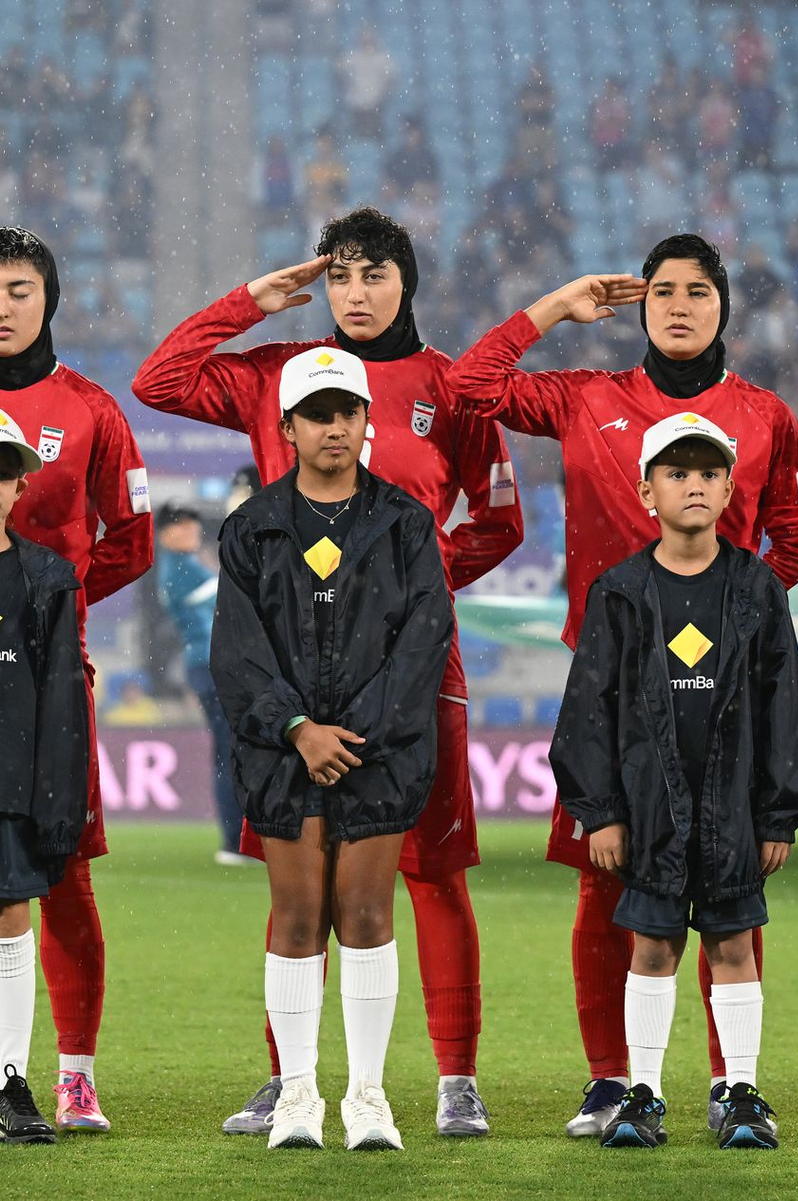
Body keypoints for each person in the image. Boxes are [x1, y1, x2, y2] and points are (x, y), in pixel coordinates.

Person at [133, 206, 521, 1136]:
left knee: (432, 872)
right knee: (298, 885)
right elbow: (160, 379)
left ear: (406, 282)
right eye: (340, 275)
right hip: (291, 677)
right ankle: (290, 1079)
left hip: (416, 667)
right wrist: (252, 302)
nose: (355, 291)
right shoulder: (277, 374)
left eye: (374, 273)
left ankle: (454, 1079)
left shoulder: (451, 385)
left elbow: (500, 520)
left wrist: (401, 591)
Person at [446, 232, 798, 1136]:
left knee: (729, 889)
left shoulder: (768, 415)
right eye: (663, 291)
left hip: (724, 699)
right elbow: (470, 388)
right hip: (611, 697)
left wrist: (730, 624)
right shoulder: (589, 397)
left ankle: (734, 1084)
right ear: (640, 306)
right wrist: (552, 308)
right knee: (603, 885)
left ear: (724, 305)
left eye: (699, 290)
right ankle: (615, 1081)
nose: (681, 305)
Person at [551, 414, 798, 1150]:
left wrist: (780, 814)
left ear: (731, 487)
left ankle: (740, 1092)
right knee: (653, 949)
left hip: (734, 809)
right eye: (677, 472)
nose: (694, 484)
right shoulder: (620, 591)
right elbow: (588, 711)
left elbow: (783, 704)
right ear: (646, 490)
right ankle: (644, 1095)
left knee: (733, 946)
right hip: (647, 812)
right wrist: (599, 810)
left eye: (709, 473)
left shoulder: (757, 586)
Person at [211, 346, 453, 1151]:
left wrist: (355, 733)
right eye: (318, 414)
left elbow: (423, 640)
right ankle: (299, 1096)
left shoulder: (406, 521)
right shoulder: (251, 526)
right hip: (283, 752)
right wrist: (297, 728)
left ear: (366, 420)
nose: (335, 428)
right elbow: (238, 650)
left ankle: (368, 1097)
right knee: (297, 915)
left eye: (347, 412)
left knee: (366, 912)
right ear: (286, 427)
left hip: (379, 750)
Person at [0, 227, 153, 1133]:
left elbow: (130, 537)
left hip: (48, 678)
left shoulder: (90, 408)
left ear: (48, 298)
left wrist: (44, 609)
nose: (3, 304)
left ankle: (73, 1072)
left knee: (59, 874)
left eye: (19, 288)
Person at [0, 413, 89, 1144]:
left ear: (21, 483)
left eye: (1, 467)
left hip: (7, 781)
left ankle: (8, 1080)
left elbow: (61, 696)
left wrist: (57, 803)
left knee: (8, 919)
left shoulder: (45, 576)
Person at [155, 500, 244, 864]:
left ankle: (236, 838)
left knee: (227, 750)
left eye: (193, 524)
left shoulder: (177, 567)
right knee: (229, 751)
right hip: (212, 666)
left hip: (205, 665)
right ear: (165, 534)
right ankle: (234, 839)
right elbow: (235, 594)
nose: (192, 531)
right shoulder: (182, 569)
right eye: (183, 525)